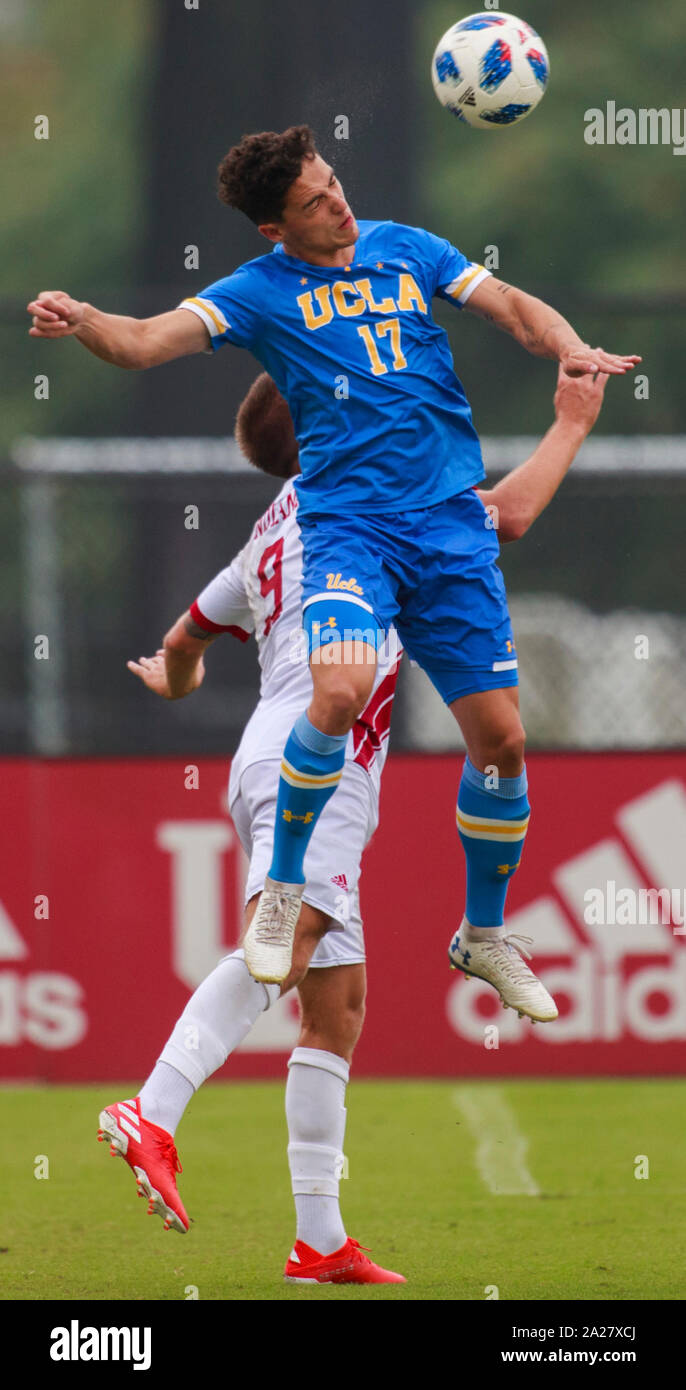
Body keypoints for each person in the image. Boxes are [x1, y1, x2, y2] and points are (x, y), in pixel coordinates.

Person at [27, 123, 639, 1020]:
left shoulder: (406, 249)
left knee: (503, 743)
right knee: (341, 691)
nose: (339, 204)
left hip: (449, 528)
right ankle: (281, 888)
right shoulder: (257, 293)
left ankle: (482, 934)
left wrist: (570, 345)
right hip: (352, 528)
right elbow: (147, 340)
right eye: (314, 202)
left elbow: (510, 305)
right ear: (275, 229)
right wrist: (82, 319)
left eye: (335, 182)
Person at [97, 365, 608, 1285]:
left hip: (275, 755)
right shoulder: (381, 499)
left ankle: (320, 1241)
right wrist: (571, 424)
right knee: (286, 953)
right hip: (317, 767)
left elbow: (183, 643)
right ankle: (151, 1111)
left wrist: (176, 681)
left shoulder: (270, 530)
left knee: (337, 1013)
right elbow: (506, 516)